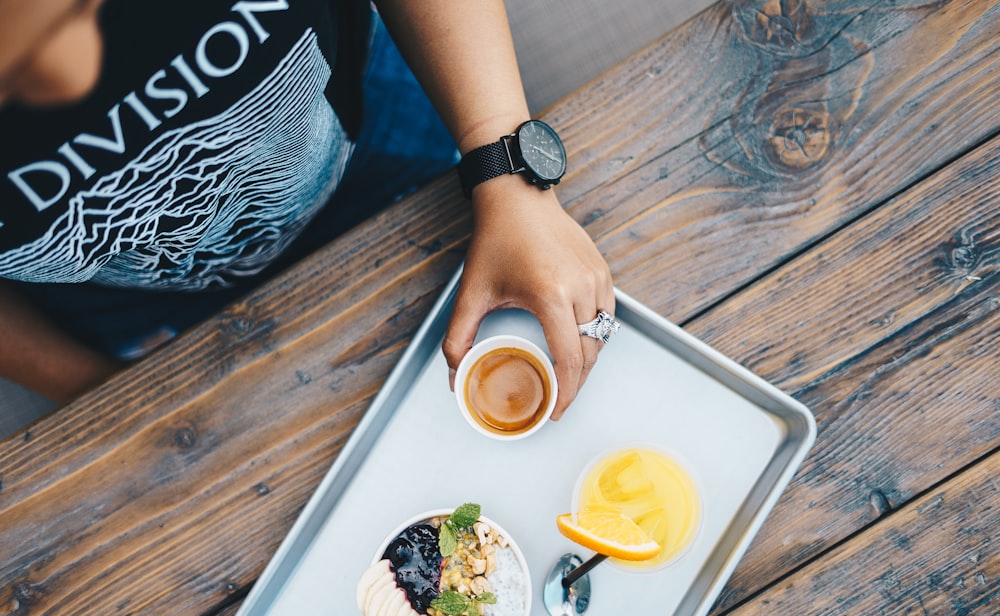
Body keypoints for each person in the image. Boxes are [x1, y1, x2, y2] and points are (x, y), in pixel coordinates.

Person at [0, 0, 614, 421]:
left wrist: (504, 170)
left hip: (370, 133)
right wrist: (100, 391)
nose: (72, 75)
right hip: (134, 307)